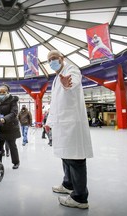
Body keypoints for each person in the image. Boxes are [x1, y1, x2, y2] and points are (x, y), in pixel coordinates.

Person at [46, 49, 93, 209]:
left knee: (76, 159)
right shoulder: (55, 78)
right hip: (61, 124)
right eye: (49, 60)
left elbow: (74, 80)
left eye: (54, 58)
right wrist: (49, 121)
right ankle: (68, 184)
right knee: (66, 156)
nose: (52, 61)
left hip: (72, 122)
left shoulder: (71, 69)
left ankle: (80, 198)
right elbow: (55, 103)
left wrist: (68, 83)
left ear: (62, 58)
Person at [0, 84, 21, 169]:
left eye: (4, 92)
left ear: (7, 92)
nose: (2, 93)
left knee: (12, 146)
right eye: (0, 92)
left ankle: (16, 162)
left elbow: (14, 113)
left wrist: (4, 119)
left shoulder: (13, 100)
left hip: (10, 128)